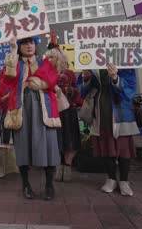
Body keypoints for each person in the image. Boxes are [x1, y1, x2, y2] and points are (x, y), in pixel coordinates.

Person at [1, 37, 61, 200]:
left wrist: (40, 83)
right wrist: (12, 49)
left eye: (32, 43)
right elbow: (7, 79)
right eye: (25, 43)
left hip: (45, 109)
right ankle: (26, 184)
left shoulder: (44, 62)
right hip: (21, 109)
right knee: (23, 148)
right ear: (19, 47)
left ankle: (49, 185)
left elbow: (54, 79)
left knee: (49, 146)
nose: (29, 46)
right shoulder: (14, 63)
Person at [77, 64, 139, 196]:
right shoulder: (92, 63)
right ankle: (111, 178)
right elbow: (82, 92)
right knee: (105, 146)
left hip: (121, 112)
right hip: (101, 112)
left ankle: (124, 181)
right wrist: (86, 79)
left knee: (123, 148)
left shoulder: (126, 63)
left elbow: (131, 88)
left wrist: (116, 78)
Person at [50, 44, 82, 182]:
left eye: (52, 56)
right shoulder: (47, 73)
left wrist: (67, 90)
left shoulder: (69, 73)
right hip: (54, 112)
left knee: (70, 140)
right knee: (58, 140)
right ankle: (59, 166)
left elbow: (77, 91)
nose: (50, 59)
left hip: (68, 110)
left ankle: (67, 166)